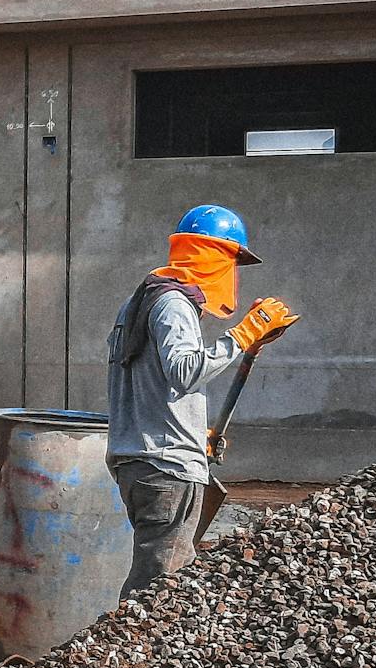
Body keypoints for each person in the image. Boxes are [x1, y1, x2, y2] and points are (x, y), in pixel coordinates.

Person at [105, 204, 296, 599]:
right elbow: (185, 371)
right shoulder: (174, 305)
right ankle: (126, 655)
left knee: (165, 572)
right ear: (215, 256)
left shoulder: (140, 301)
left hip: (140, 459)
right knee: (158, 587)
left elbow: (148, 381)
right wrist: (243, 335)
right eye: (233, 262)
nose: (233, 275)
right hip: (166, 467)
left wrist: (192, 431)